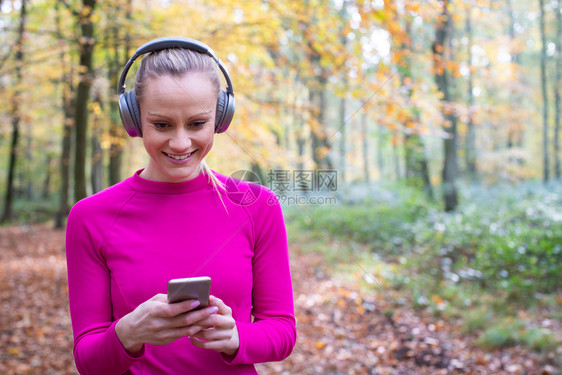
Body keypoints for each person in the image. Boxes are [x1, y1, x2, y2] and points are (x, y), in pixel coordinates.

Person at [65, 37, 296, 375]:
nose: (180, 143)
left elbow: (282, 332)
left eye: (197, 124)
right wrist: (128, 334)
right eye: (161, 125)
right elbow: (88, 358)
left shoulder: (257, 206)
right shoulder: (90, 217)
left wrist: (235, 337)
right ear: (134, 120)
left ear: (220, 119)